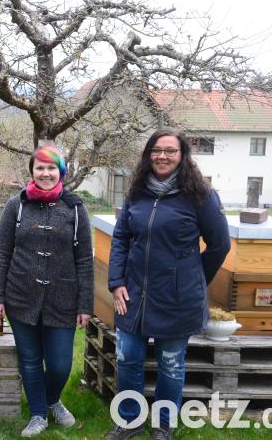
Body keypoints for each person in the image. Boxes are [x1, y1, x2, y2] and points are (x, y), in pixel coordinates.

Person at [103, 128, 230, 440]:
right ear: (149, 154)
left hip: (177, 299)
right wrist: (116, 281)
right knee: (127, 357)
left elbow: (219, 245)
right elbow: (121, 238)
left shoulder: (200, 195)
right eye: (156, 150)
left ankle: (163, 425)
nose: (162, 156)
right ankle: (129, 421)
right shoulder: (136, 192)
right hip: (132, 294)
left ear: (182, 155)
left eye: (170, 151)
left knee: (171, 365)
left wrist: (193, 279)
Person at [0, 146, 94, 437]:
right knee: (31, 359)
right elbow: (1, 254)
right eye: (40, 168)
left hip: (64, 299)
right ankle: (38, 414)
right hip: (21, 296)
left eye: (51, 168)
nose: (45, 173)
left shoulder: (75, 207)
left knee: (60, 364)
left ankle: (52, 399)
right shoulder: (16, 205)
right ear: (32, 171)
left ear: (60, 172)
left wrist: (85, 304)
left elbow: (85, 258)